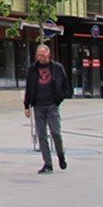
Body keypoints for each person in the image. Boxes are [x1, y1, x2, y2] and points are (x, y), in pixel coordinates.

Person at [24, 43, 70, 174]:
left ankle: (60, 155)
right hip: (38, 105)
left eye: (43, 55)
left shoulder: (57, 68)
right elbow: (29, 87)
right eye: (38, 55)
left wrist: (58, 99)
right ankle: (48, 163)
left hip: (52, 105)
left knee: (55, 132)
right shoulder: (32, 69)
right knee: (41, 135)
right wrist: (27, 105)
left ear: (48, 54)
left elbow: (66, 86)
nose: (40, 57)